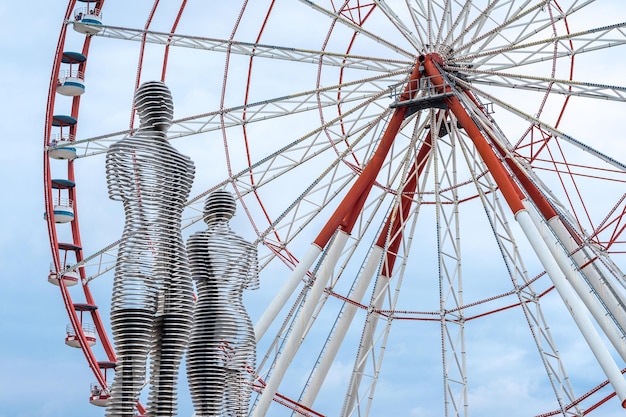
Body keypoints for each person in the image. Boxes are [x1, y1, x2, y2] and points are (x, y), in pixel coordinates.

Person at [105, 81, 195, 417]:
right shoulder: (184, 165)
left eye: (164, 102)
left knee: (138, 372)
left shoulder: (119, 152)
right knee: (155, 375)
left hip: (139, 261)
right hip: (172, 263)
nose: (162, 108)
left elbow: (122, 195)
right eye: (157, 102)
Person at [186, 190, 259, 417]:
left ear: (207, 211)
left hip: (209, 319)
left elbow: (191, 278)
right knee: (238, 410)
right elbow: (250, 284)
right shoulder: (248, 247)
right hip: (242, 325)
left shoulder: (198, 239)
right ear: (232, 212)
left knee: (207, 409)